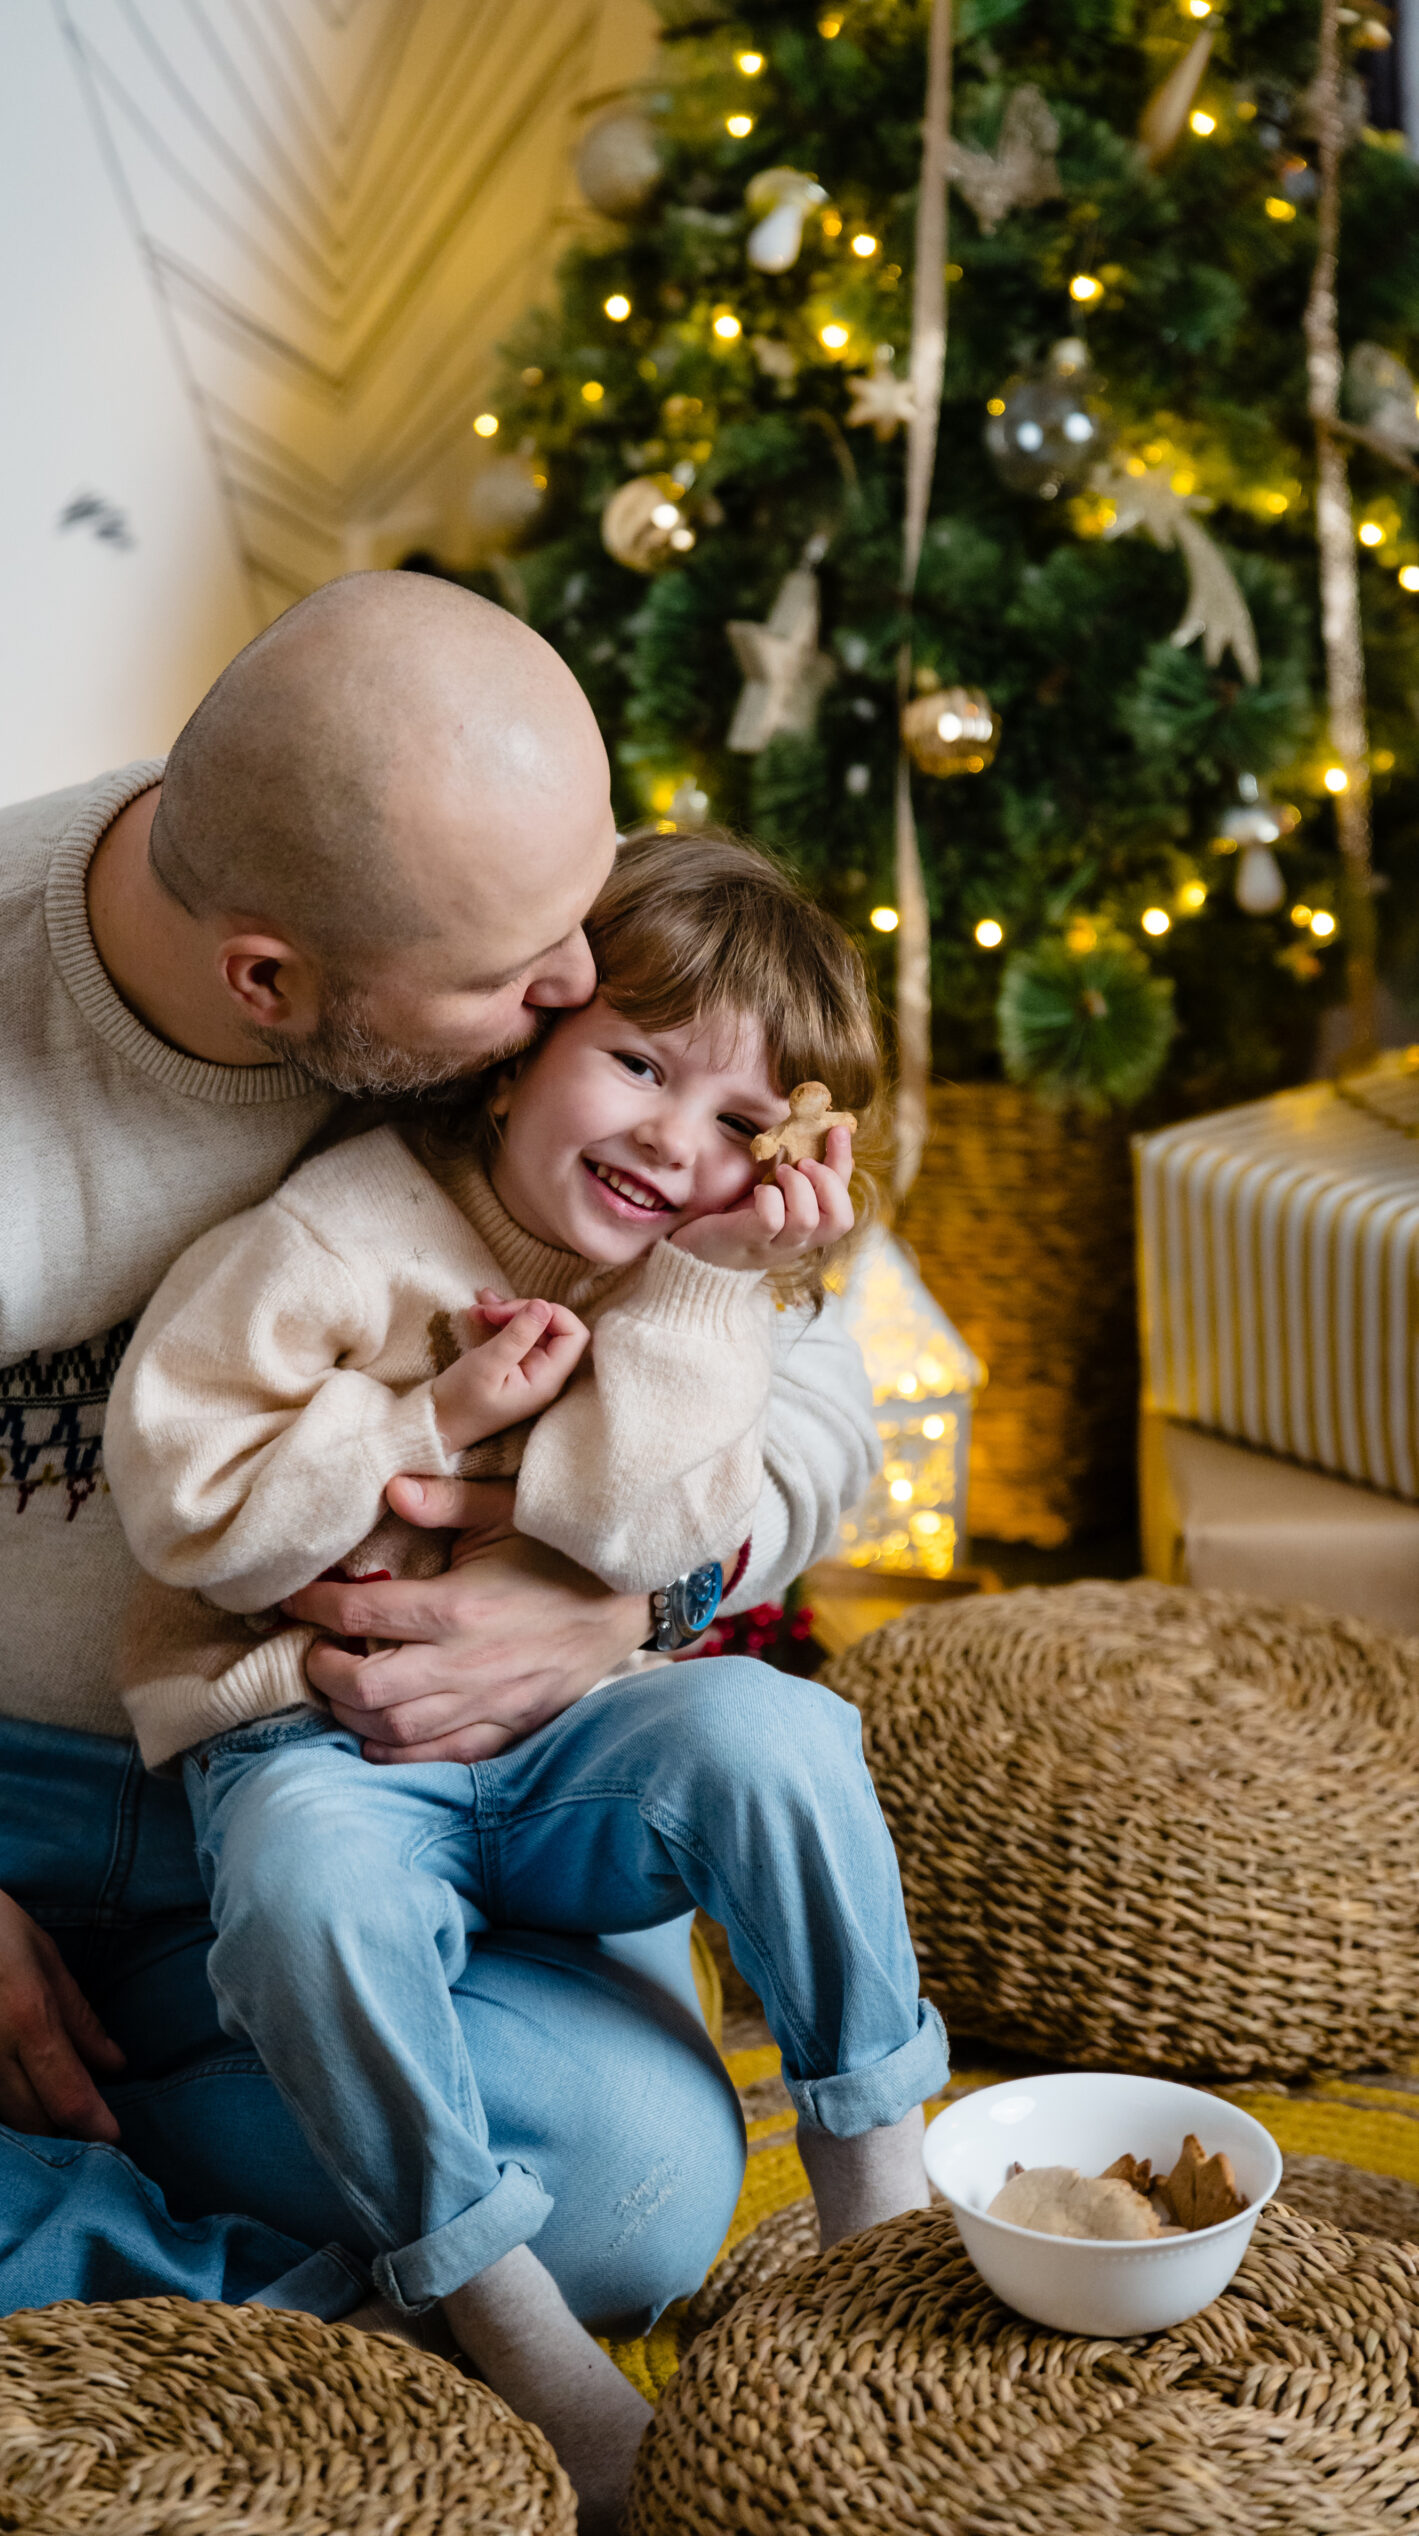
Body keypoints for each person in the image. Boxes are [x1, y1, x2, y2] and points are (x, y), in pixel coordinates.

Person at [0, 572, 881, 2339]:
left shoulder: (502, 896)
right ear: (274, 982)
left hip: (362, 1792)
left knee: (636, 2185)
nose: (584, 985)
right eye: (525, 979)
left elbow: (811, 1391)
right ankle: (159, 2271)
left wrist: (623, 1611)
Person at [105, 831, 946, 2527]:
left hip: (572, 1755)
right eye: (637, 1063)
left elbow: (633, 1524)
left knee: (779, 1730)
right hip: (318, 1744)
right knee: (305, 1880)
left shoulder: (712, 1277)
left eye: (735, 1121)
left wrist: (708, 1288)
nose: (665, 1138)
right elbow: (185, 1505)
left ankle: (884, 2216)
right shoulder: (342, 1234)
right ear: (522, 1052)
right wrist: (429, 1421)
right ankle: (506, 2324)